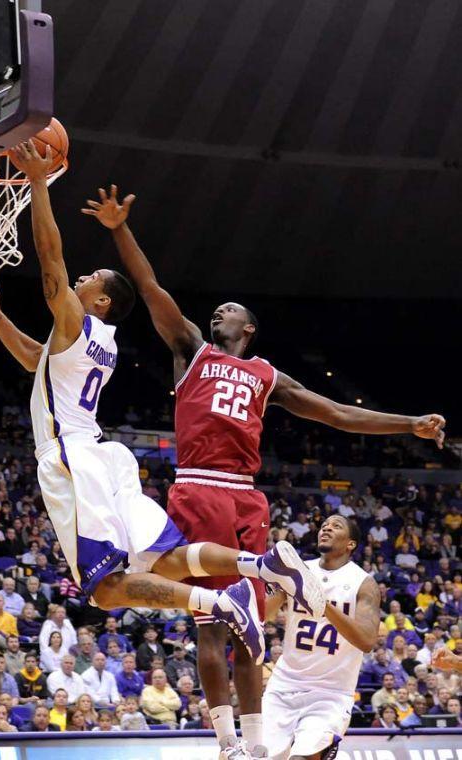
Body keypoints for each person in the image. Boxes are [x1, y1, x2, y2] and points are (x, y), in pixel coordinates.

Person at [83, 184, 446, 760]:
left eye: (230, 309)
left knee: (248, 620)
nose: (218, 311)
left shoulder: (268, 376)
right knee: (207, 621)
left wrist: (408, 423)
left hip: (245, 497)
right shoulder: (191, 350)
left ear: (249, 328)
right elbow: (151, 290)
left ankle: (255, 745)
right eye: (216, 309)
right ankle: (227, 742)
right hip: (199, 486)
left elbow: (337, 413)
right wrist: (118, 228)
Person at [0, 142, 325, 673]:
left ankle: (223, 601)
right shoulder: (103, 341)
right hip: (105, 455)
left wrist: (40, 185)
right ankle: (260, 564)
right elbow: (36, 361)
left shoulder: (76, 320)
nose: (79, 279)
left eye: (89, 279)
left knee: (107, 592)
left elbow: (50, 265)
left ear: (100, 302)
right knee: (166, 560)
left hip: (70, 453)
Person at [261, 516, 380, 760]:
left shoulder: (363, 583)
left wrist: (323, 603)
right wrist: (276, 579)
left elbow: (367, 641)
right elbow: (264, 614)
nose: (327, 527)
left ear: (351, 544)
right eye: (325, 525)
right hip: (284, 684)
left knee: (300, 758)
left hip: (330, 692)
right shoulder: (299, 572)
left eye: (337, 526)